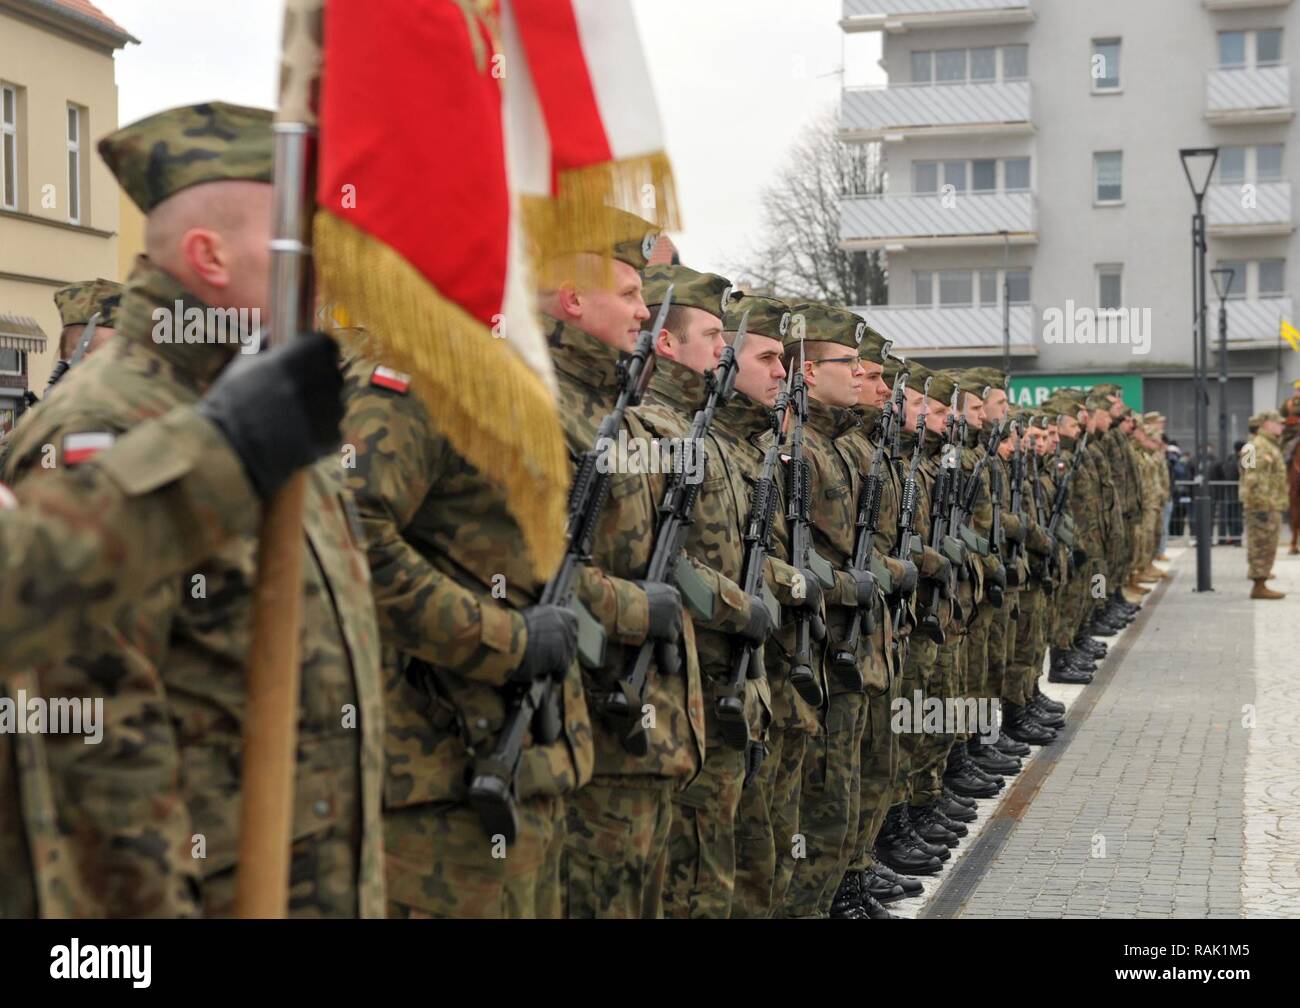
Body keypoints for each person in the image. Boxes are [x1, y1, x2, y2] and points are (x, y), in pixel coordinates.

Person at [1, 101, 385, 918]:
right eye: (296, 246)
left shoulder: (267, 407)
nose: (324, 270)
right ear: (208, 256)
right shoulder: (109, 425)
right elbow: (92, 770)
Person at [542, 229, 705, 919]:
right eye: (632, 294)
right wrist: (641, 610)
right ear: (574, 300)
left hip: (647, 730)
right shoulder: (541, 408)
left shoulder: (621, 416)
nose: (645, 312)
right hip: (589, 729)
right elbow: (532, 568)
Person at [1240, 411, 1288, 600]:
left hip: (1270, 504)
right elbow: (1251, 479)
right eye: (1278, 423)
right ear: (1267, 424)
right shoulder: (1258, 446)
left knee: (1267, 545)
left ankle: (1262, 581)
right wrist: (1260, 506)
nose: (1282, 426)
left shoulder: (1267, 445)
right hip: (1263, 505)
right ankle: (1259, 585)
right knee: (1261, 544)